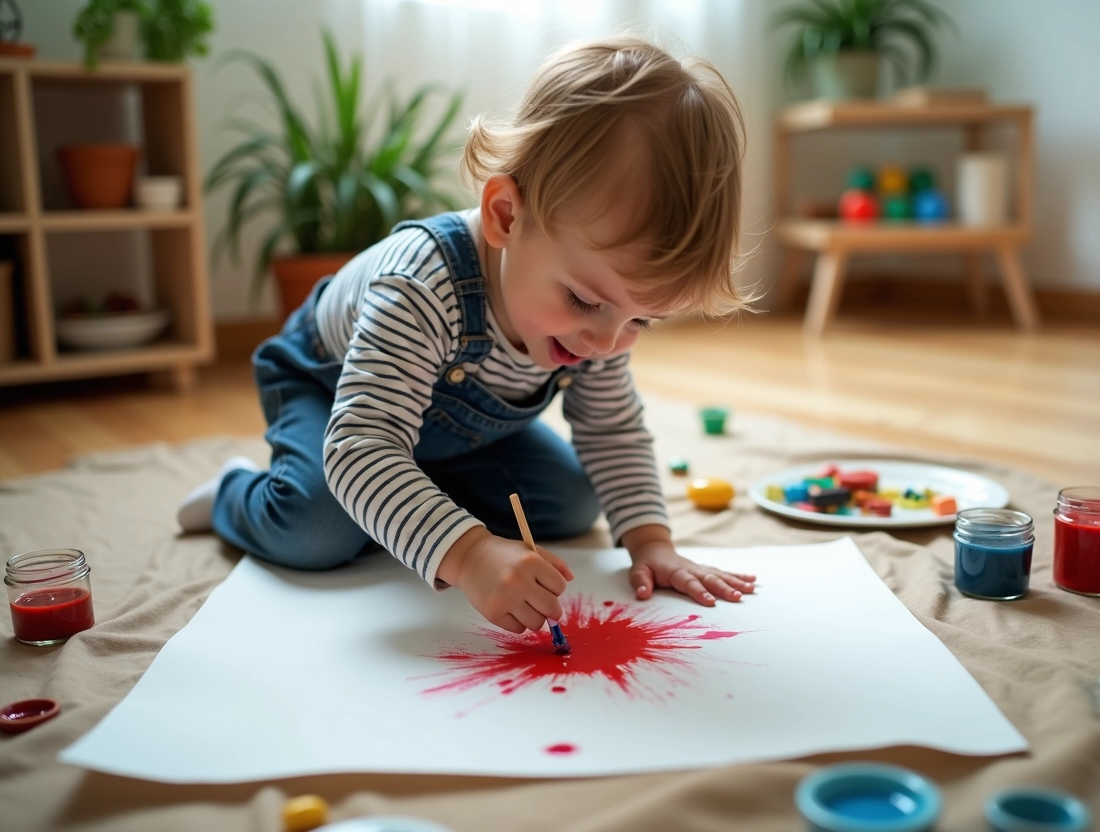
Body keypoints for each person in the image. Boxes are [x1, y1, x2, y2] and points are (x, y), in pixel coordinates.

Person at [178, 36, 756, 634]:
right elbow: (360, 448)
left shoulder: (597, 323)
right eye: (585, 301)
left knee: (572, 502)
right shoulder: (420, 283)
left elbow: (611, 429)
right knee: (317, 527)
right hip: (336, 398)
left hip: (448, 434)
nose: (606, 342)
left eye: (642, 320)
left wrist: (651, 542)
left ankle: (412, 493)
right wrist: (471, 554)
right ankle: (234, 493)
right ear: (507, 215)